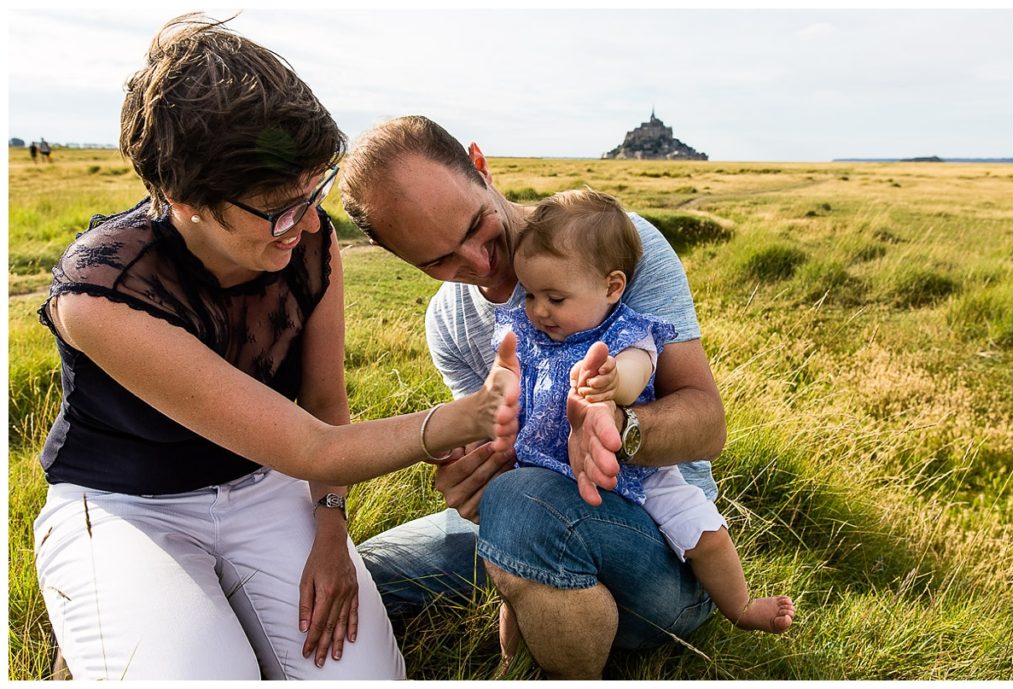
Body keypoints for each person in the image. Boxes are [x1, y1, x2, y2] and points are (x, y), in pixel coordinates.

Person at [32, 17, 518, 681]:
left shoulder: (308, 241)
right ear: (185, 199)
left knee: (362, 675)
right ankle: (109, 610)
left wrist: (329, 529)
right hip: (126, 504)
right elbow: (309, 444)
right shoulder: (99, 291)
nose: (311, 222)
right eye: (280, 208)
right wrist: (468, 416)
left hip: (264, 486)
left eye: (313, 189)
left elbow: (323, 402)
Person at [342, 115, 728, 679]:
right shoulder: (447, 323)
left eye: (477, 226)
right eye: (438, 262)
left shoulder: (613, 247)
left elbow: (708, 424)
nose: (477, 265)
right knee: (363, 576)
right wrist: (473, 479)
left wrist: (616, 426)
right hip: (533, 520)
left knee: (523, 500)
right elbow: (499, 455)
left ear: (480, 165)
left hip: (667, 546)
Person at [491, 188, 795, 644]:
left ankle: (741, 605)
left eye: (555, 297)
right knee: (518, 582)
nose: (538, 310)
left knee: (701, 528)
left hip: (640, 474)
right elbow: (505, 380)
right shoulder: (526, 331)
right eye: (531, 294)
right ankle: (511, 662)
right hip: (543, 468)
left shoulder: (627, 331)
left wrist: (612, 383)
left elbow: (637, 371)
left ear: (612, 287)